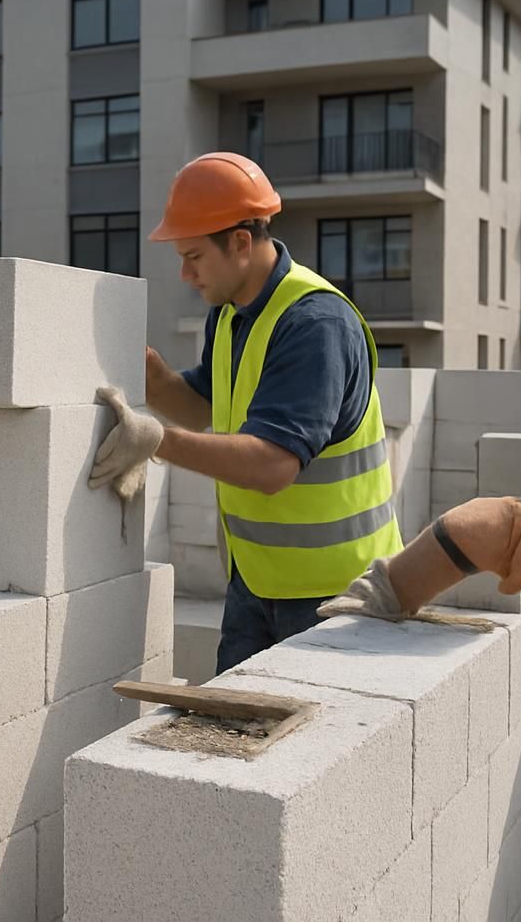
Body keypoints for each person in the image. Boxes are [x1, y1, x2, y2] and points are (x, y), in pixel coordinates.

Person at [87, 151, 402, 673]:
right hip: (254, 584)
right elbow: (203, 408)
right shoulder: (231, 314)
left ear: (239, 242)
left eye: (194, 256)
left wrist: (157, 440)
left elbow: (272, 465)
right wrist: (158, 384)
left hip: (334, 597)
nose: (185, 274)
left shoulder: (315, 325)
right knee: (230, 720)